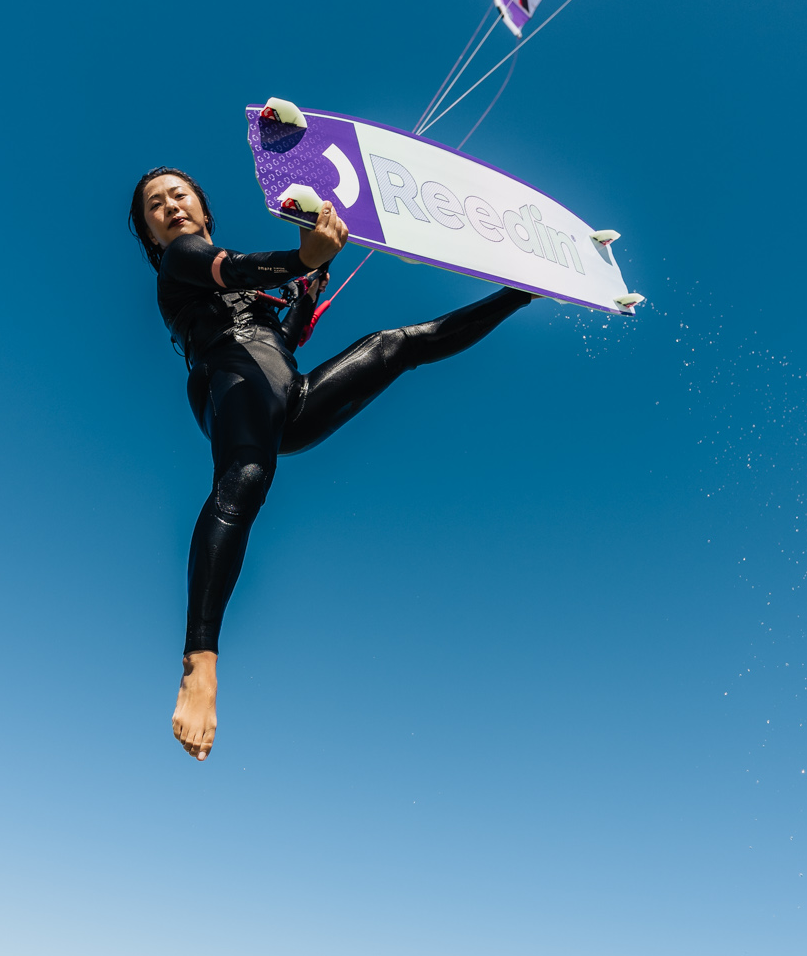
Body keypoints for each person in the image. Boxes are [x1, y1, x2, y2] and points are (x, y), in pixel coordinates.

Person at [130, 166, 533, 761]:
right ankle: (200, 661)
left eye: (179, 195)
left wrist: (307, 291)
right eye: (155, 206)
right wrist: (301, 258)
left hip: (287, 396)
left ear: (203, 207)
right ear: (151, 233)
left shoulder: (236, 279)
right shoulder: (179, 261)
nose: (170, 207)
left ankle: (522, 291)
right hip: (229, 382)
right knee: (246, 476)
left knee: (397, 345)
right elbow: (233, 268)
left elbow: (281, 338)